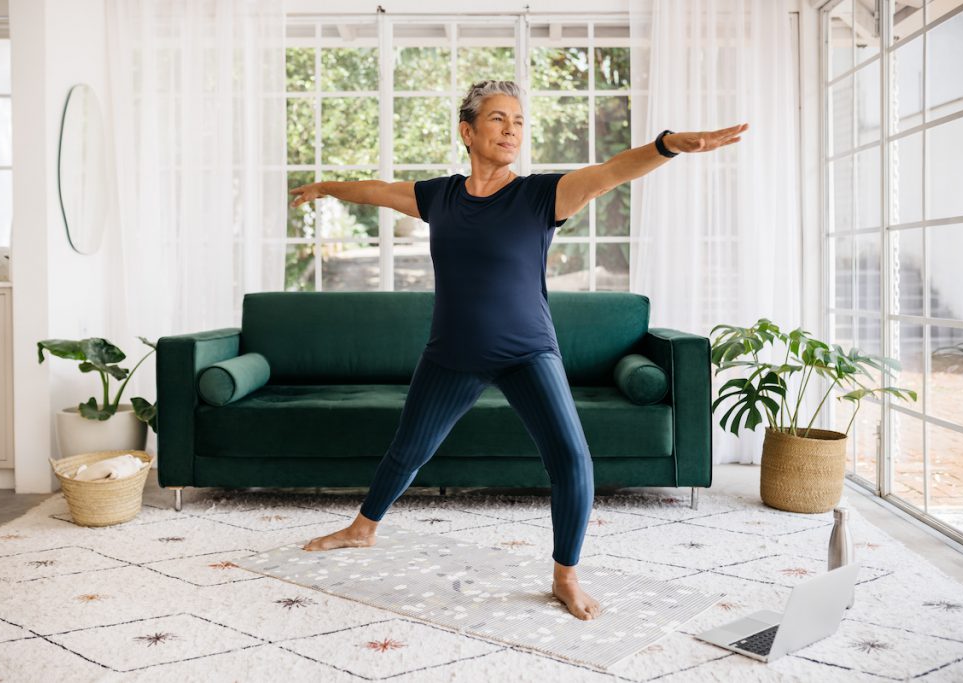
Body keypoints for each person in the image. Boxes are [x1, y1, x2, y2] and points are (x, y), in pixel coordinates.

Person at [288, 79, 747, 621]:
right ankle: (363, 529)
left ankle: (565, 576)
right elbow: (378, 190)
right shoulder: (438, 196)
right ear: (468, 131)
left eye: (519, 121)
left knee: (572, 459)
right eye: (499, 119)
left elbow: (611, 171)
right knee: (408, 449)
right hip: (451, 352)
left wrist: (668, 145)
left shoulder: (540, 196)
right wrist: (327, 187)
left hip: (527, 350)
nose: (512, 130)